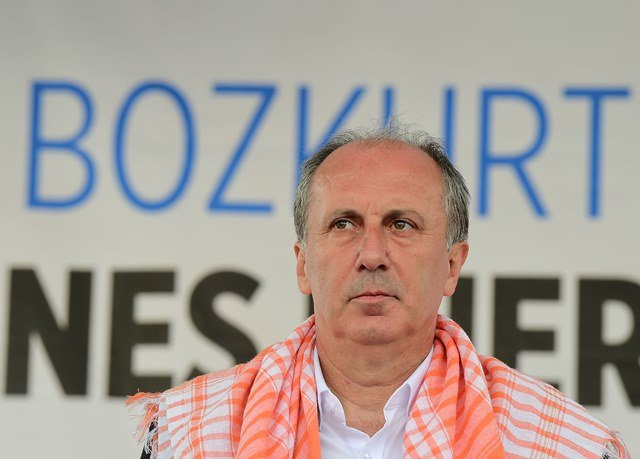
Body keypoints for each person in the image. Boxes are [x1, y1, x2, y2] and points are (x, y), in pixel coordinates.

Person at [129, 124, 629, 458]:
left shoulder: (560, 445)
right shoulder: (189, 435)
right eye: (344, 223)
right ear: (303, 265)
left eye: (401, 224)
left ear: (452, 266)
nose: (372, 253)